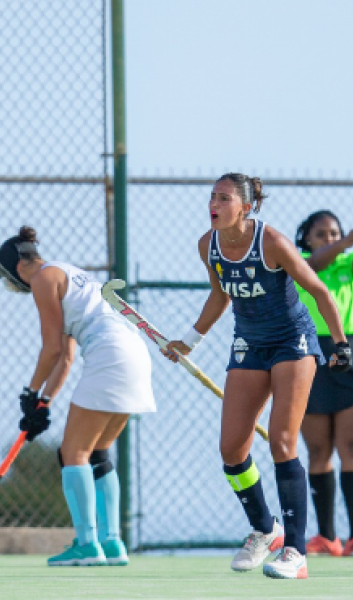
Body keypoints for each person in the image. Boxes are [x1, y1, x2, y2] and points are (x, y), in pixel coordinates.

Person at [164, 173, 351, 580]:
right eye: (212, 197)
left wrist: (340, 344)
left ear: (245, 207)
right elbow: (220, 295)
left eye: (224, 198)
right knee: (232, 449)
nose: (214, 204)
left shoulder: (272, 242)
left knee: (282, 441)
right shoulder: (208, 245)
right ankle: (266, 529)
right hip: (249, 343)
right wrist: (189, 341)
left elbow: (318, 290)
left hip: (293, 342)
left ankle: (296, 552)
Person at [0, 226, 156, 567]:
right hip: (135, 355)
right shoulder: (67, 272)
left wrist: (29, 392)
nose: (12, 285)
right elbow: (65, 358)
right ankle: (112, 543)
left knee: (73, 453)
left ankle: (87, 544)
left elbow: (51, 349)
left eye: (8, 277)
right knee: (97, 452)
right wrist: (43, 403)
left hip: (109, 355)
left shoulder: (42, 279)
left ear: (19, 267)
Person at [293, 210, 353, 557]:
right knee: (318, 450)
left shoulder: (348, 264)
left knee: (350, 446)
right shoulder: (298, 263)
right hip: (310, 353)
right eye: (322, 234)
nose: (330, 239)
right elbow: (314, 264)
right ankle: (327, 536)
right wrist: (345, 242)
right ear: (307, 238)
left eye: (335, 234)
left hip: (347, 352)